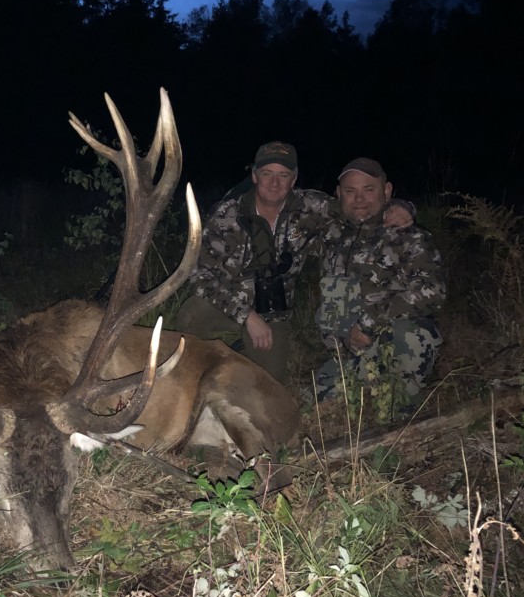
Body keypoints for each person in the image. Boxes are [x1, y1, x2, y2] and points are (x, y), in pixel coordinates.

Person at [175, 141, 412, 382]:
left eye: (283, 175)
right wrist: (246, 315)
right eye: (267, 174)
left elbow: (357, 207)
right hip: (229, 305)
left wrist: (402, 207)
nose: (274, 183)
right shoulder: (227, 215)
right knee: (191, 314)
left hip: (273, 314)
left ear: (294, 179)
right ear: (255, 176)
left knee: (268, 385)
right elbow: (200, 276)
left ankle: (237, 354)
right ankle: (184, 377)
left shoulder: (311, 206)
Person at [312, 158, 445, 417]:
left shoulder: (408, 237)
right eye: (350, 191)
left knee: (413, 334)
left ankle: (401, 402)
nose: (359, 198)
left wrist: (369, 323)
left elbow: (433, 290)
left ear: (387, 191)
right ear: (339, 195)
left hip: (390, 347)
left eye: (369, 189)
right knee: (312, 406)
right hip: (347, 354)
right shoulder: (330, 235)